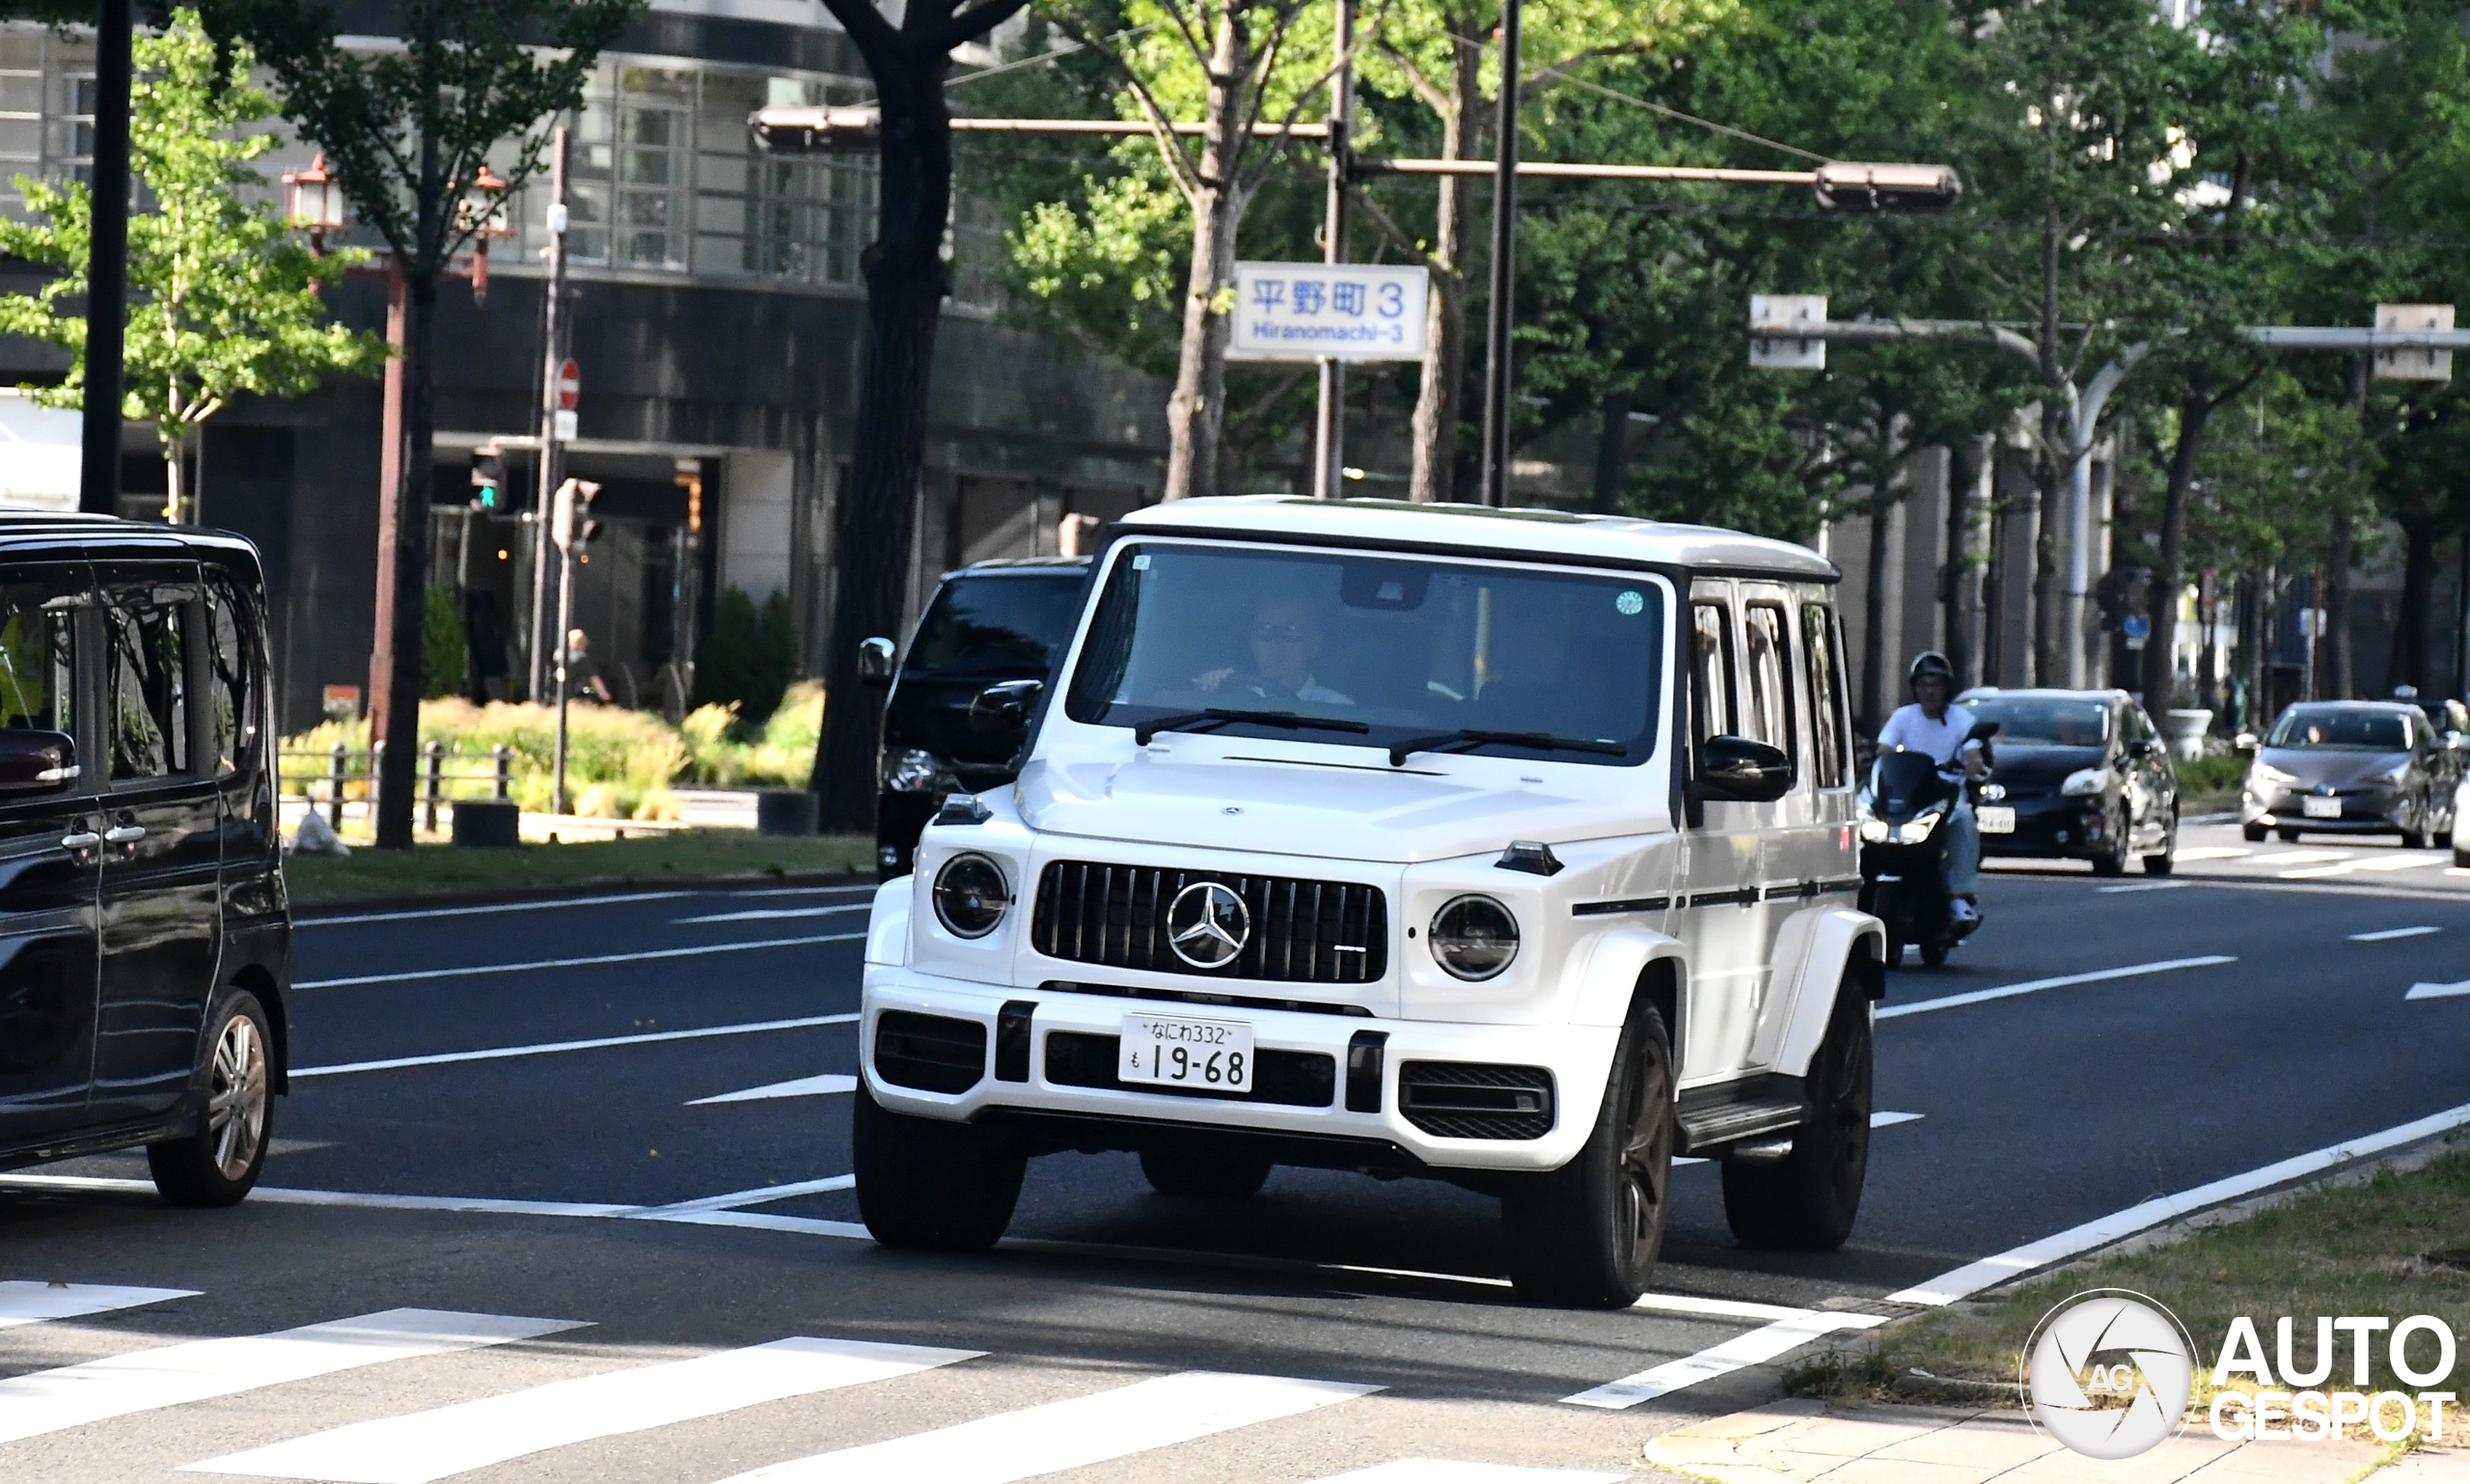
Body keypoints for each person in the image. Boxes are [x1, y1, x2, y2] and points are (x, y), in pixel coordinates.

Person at [1876, 651, 1986, 923]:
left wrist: (1972, 763)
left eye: (1935, 684)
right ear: (1915, 688)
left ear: (1946, 688)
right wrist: (1880, 758)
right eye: (1924, 684)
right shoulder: (1903, 716)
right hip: (1908, 797)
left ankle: (1959, 896)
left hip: (1946, 796)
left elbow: (1973, 752)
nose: (1929, 691)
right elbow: (1885, 748)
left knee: (1964, 821)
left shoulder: (1962, 720)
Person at [1194, 593, 1355, 706]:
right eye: (1266, 631)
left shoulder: (1338, 707)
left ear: (1314, 644)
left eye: (1291, 631)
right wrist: (1208, 693)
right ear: (1252, 641)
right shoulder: (1233, 700)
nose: (1277, 643)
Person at [557, 627, 614, 705]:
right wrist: (604, 695)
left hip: (557, 696)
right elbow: (594, 678)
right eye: (582, 643)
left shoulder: (557, 656)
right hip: (570, 697)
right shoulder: (581, 660)